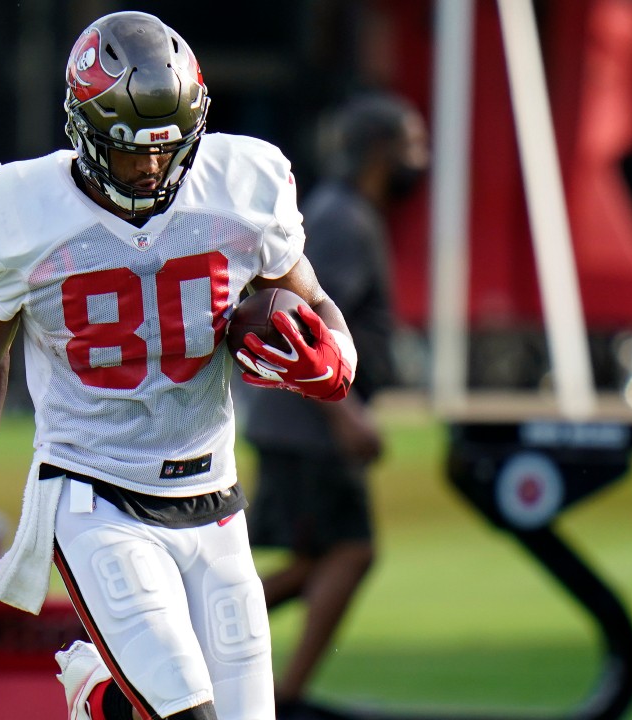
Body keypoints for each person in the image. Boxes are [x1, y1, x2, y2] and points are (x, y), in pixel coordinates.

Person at [0, 12, 359, 720]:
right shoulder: (21, 213)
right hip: (94, 493)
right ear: (84, 129)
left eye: (166, 149)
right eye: (130, 151)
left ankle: (105, 698)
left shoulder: (238, 186)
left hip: (216, 499)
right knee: (189, 715)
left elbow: (315, 302)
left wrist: (333, 359)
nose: (152, 167)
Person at [239, 93, 429, 716]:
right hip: (308, 421)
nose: (419, 160)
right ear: (377, 151)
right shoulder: (345, 220)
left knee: (319, 556)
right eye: (411, 144)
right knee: (349, 551)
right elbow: (302, 324)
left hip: (293, 418)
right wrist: (345, 412)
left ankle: (212, 647)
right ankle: (279, 690)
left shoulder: (342, 212)